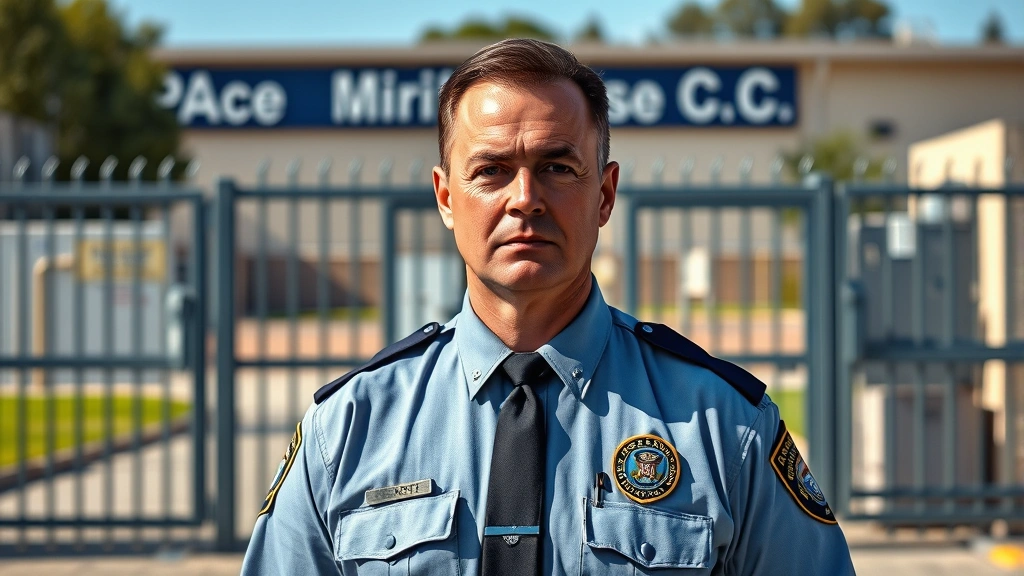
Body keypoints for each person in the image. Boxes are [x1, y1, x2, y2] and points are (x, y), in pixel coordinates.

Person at [240, 38, 855, 575]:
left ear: (606, 193)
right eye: (492, 170)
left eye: (558, 167)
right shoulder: (347, 429)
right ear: (446, 196)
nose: (525, 199)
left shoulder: (724, 425)